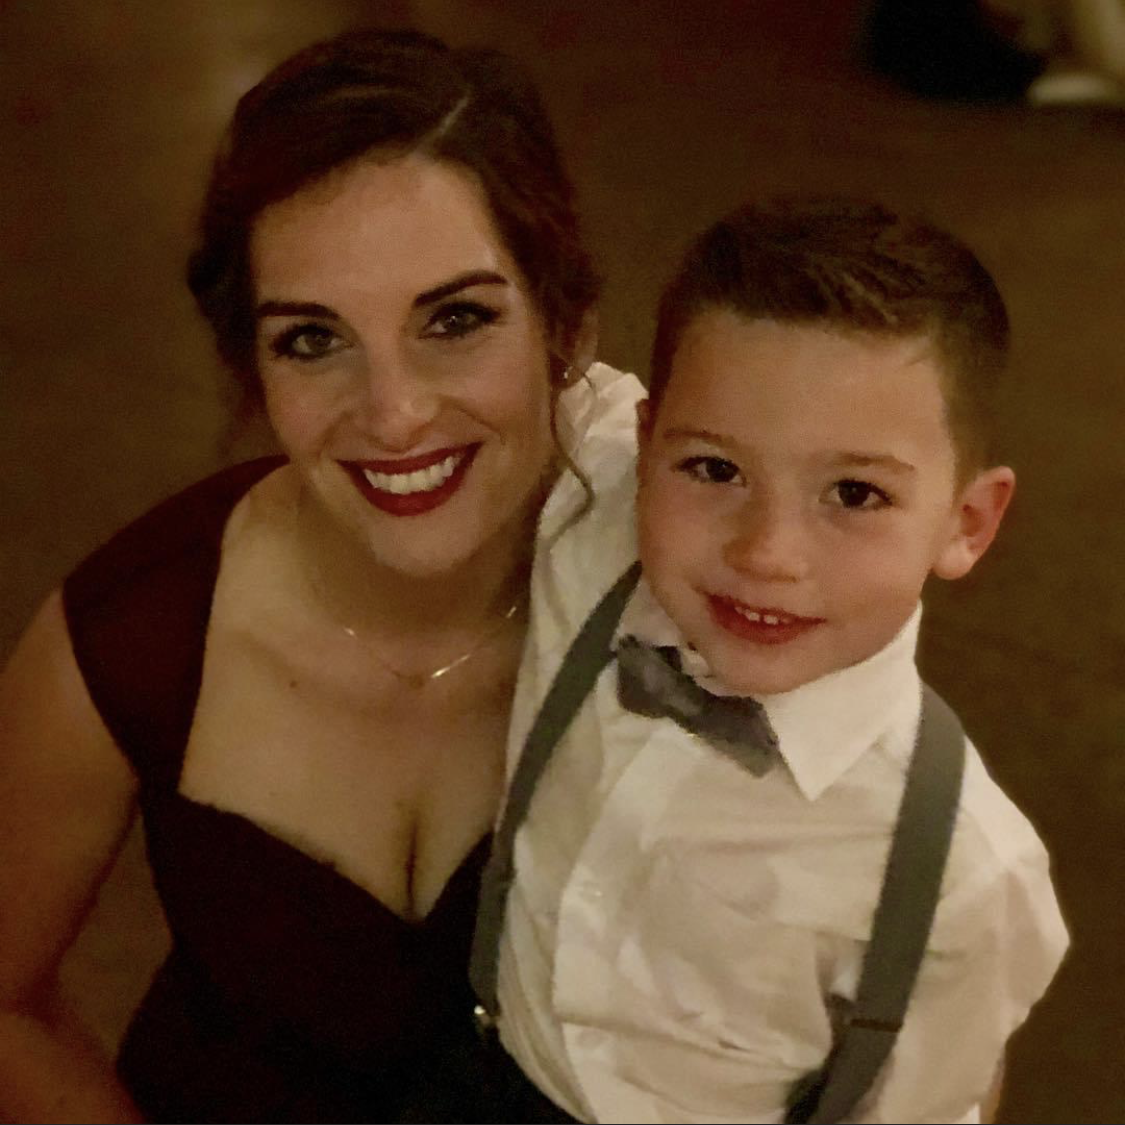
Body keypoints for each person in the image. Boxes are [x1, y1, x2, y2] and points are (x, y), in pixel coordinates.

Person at [0, 26, 643, 1123]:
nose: (393, 414)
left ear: (567, 325)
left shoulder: (691, 601)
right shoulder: (132, 636)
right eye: (312, 340)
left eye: (455, 320)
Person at [480, 199, 1070, 1123]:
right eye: (714, 470)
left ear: (965, 522)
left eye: (854, 493)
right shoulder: (594, 515)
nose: (766, 552)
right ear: (647, 449)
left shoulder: (964, 875)